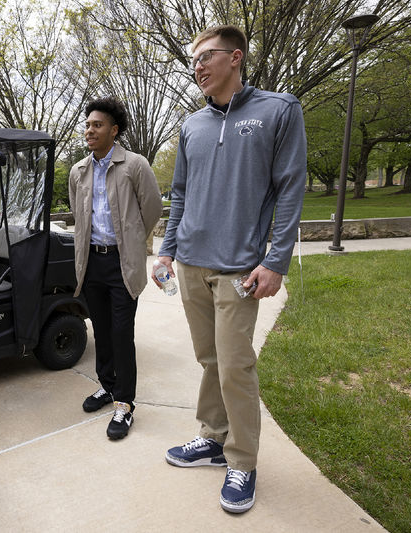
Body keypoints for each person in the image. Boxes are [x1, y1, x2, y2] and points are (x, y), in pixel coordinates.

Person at [154, 25, 306, 513]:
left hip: (240, 268)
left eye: (206, 57)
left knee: (235, 366)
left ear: (235, 58)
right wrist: (167, 249)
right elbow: (179, 191)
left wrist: (275, 261)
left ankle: (243, 460)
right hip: (192, 264)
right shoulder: (191, 124)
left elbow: (290, 188)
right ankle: (214, 439)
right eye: (193, 60)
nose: (197, 66)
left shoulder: (278, 110)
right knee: (210, 361)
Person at [69, 96, 162, 440]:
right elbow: (80, 218)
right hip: (92, 261)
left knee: (122, 334)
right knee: (103, 331)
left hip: (122, 263)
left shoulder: (135, 165)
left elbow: (151, 210)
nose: (90, 130)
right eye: (88, 125)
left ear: (114, 130)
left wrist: (134, 240)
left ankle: (124, 403)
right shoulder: (79, 170)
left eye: (97, 125)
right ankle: (106, 387)